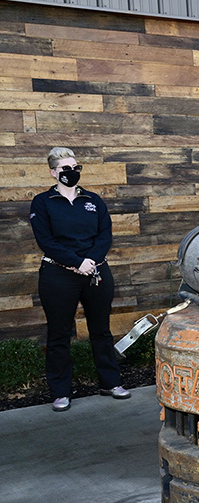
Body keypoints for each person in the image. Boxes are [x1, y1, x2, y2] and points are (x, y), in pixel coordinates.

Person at [29, 147, 130, 412]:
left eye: (75, 167)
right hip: (58, 276)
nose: (71, 172)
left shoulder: (93, 200)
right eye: (65, 169)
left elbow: (104, 235)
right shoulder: (42, 202)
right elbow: (46, 241)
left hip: (96, 271)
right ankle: (61, 391)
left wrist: (91, 261)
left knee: (101, 330)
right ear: (53, 172)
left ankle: (110, 382)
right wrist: (76, 263)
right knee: (59, 333)